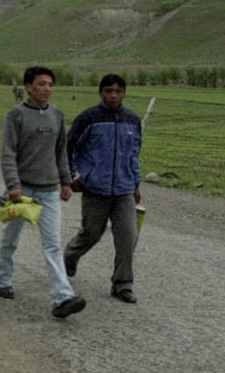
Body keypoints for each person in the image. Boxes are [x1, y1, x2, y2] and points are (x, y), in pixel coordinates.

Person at [0, 65, 87, 318]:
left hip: (49, 190)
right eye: (42, 84)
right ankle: (1, 278)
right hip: (22, 191)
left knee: (52, 245)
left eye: (50, 84)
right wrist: (13, 186)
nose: (47, 89)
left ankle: (62, 297)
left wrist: (66, 182)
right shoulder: (16, 116)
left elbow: (61, 152)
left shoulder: (56, 115)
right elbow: (8, 153)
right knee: (10, 238)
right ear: (29, 87)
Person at [63, 74, 143, 304]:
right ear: (101, 93)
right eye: (109, 91)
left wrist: (136, 184)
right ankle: (70, 257)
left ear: (125, 93)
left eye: (118, 91)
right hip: (95, 189)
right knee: (91, 233)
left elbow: (134, 155)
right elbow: (70, 147)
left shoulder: (132, 120)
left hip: (124, 190)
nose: (113, 95)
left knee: (128, 236)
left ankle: (122, 284)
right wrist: (70, 178)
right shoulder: (89, 118)